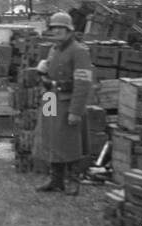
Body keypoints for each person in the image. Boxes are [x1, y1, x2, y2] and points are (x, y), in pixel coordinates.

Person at [33, 11, 95, 195]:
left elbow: (83, 83)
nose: (57, 31)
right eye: (54, 28)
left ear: (69, 30)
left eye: (61, 28)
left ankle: (73, 180)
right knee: (50, 137)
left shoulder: (79, 51)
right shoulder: (54, 49)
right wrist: (42, 71)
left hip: (67, 100)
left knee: (69, 141)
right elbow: (49, 75)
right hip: (50, 97)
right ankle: (56, 179)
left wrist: (76, 111)